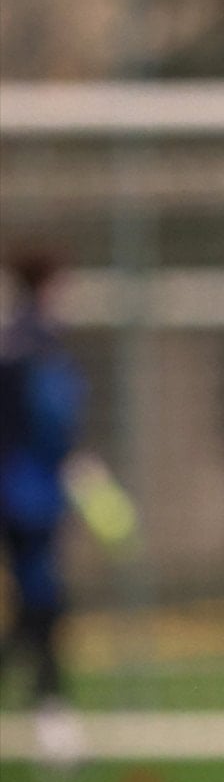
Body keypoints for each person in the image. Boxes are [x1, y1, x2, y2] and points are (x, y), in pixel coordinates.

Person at [0, 247, 85, 721]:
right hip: (28, 493)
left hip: (20, 489)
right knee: (43, 602)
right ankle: (53, 712)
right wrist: (73, 464)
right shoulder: (38, 347)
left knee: (36, 603)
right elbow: (54, 418)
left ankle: (52, 710)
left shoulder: (13, 341)